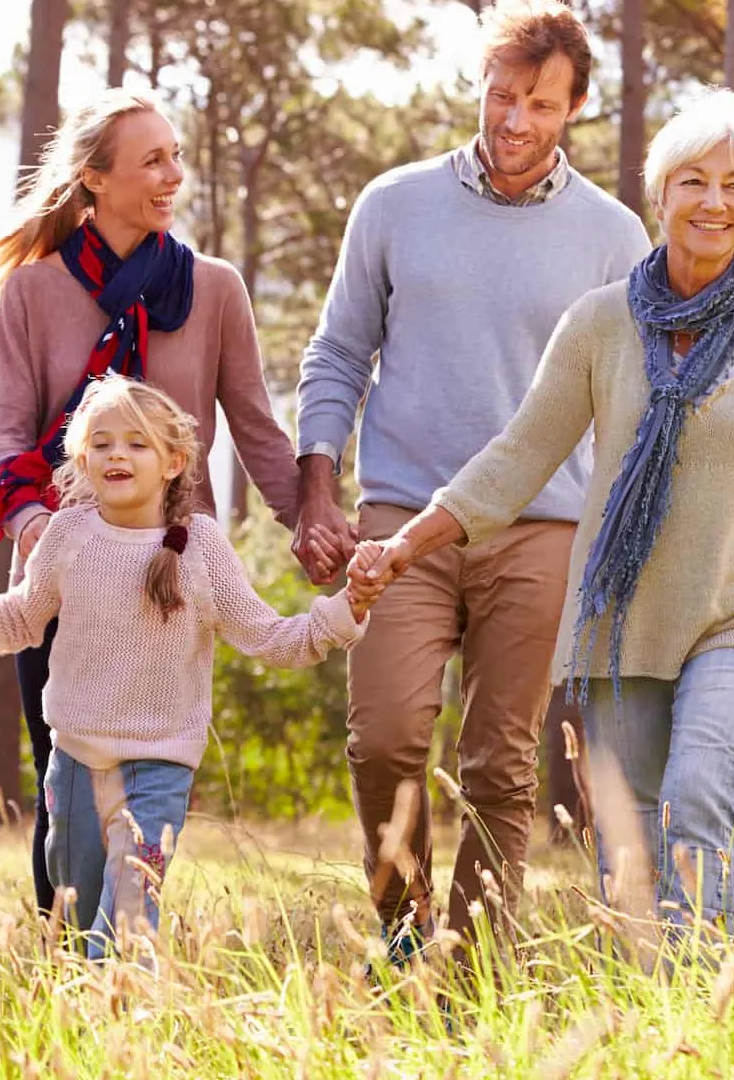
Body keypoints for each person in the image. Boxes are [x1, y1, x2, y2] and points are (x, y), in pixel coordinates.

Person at [352, 89, 734, 937]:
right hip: (627, 613)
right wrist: (407, 541)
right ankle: (653, 1006)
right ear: (661, 193)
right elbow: (520, 455)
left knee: (698, 790)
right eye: (694, 181)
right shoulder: (599, 324)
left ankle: (694, 999)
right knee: (631, 832)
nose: (714, 202)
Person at [292, 0, 651, 954]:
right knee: (385, 736)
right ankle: (404, 933)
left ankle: (476, 961)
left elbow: (630, 401)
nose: (515, 121)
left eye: (540, 103)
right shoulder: (395, 205)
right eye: (501, 97)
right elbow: (337, 354)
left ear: (573, 106)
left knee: (500, 761)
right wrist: (318, 488)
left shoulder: (614, 239)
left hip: (542, 526)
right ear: (479, 91)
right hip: (401, 517)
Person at [0, 89, 304, 917]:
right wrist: (37, 530)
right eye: (152, 160)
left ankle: (125, 949)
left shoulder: (215, 289)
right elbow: (9, 433)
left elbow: (258, 426)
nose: (173, 175)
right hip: (67, 566)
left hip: (170, 568)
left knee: (152, 777)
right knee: (63, 776)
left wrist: (309, 520)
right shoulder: (32, 292)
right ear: (94, 178)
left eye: (177, 156)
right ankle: (63, 958)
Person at [0, 378, 368, 955]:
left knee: (127, 926)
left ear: (173, 461)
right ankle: (88, 1033)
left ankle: (126, 1024)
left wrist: (346, 609)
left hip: (157, 770)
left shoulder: (200, 548)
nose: (117, 455)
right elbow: (17, 622)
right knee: (79, 924)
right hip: (75, 766)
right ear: (82, 458)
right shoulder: (68, 534)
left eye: (137, 444)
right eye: (102, 444)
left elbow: (271, 639)